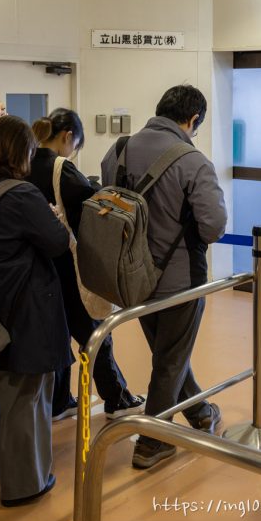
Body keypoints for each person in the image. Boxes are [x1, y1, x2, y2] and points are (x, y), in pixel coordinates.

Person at [99, 84, 228, 470]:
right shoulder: (193, 161)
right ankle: (151, 443)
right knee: (170, 359)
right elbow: (214, 226)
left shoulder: (118, 150)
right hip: (178, 281)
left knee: (169, 353)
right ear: (193, 120)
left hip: (130, 278)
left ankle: (201, 413)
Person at [0, 116, 71, 506]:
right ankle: (25, 484)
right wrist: (56, 218)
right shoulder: (21, 194)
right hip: (23, 309)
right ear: (19, 152)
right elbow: (56, 243)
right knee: (24, 397)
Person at [28, 108, 145, 421]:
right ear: (68, 137)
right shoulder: (61, 168)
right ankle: (117, 399)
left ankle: (58, 401)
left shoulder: (24, 163)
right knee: (95, 334)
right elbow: (93, 204)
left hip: (37, 266)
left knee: (57, 333)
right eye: (75, 145)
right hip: (67, 266)